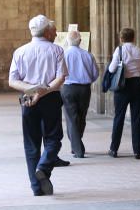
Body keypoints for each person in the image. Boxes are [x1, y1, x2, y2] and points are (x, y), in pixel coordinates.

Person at [8, 15, 67, 195]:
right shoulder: (56, 50)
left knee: (31, 143)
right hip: (50, 98)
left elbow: (12, 80)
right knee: (53, 139)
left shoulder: (20, 51)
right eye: (54, 31)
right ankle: (43, 167)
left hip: (28, 99)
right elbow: (61, 77)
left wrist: (31, 90)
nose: (55, 34)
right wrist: (43, 90)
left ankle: (36, 187)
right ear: (48, 31)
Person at [106, 27, 140, 158]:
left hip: (123, 85)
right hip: (138, 84)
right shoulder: (139, 51)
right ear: (133, 37)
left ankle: (114, 149)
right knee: (137, 119)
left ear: (121, 38)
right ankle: (137, 151)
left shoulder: (120, 50)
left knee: (119, 117)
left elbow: (112, 69)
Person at [61, 30, 98, 158]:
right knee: (81, 117)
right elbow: (95, 74)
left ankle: (77, 147)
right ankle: (77, 146)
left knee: (71, 119)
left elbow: (58, 74)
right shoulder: (88, 55)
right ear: (80, 41)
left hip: (68, 88)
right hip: (84, 89)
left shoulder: (63, 55)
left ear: (67, 41)